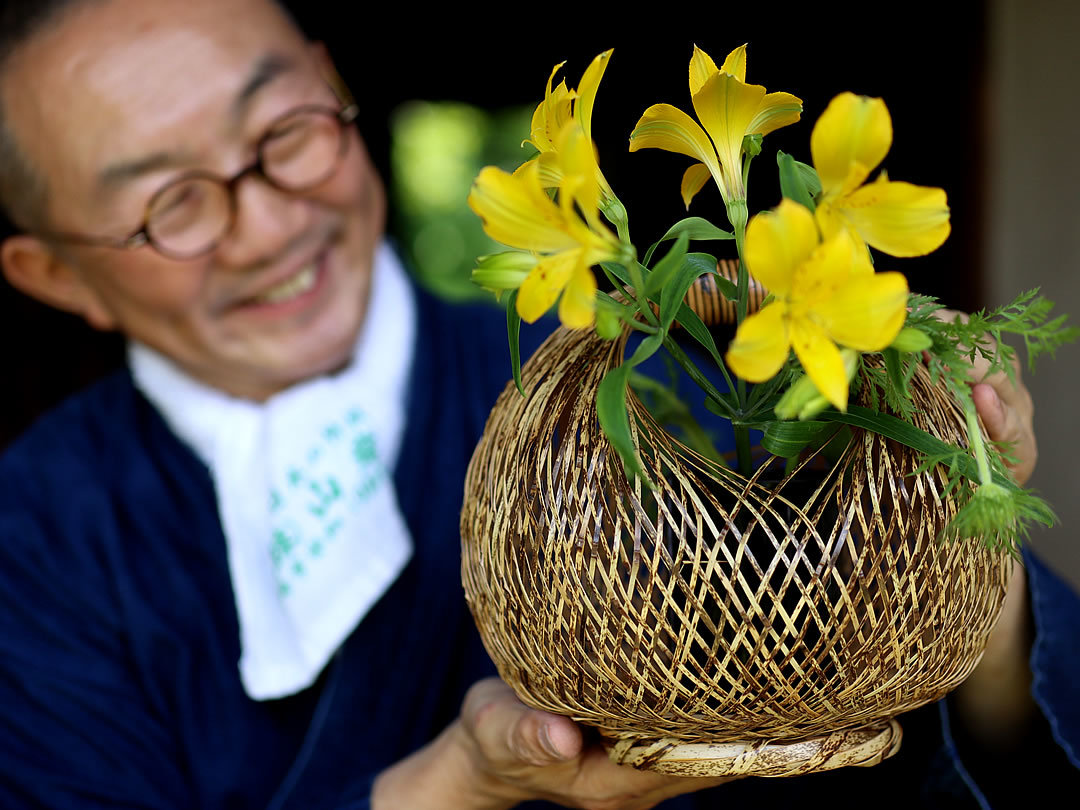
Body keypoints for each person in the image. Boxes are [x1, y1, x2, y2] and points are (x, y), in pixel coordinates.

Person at [0, 0, 1074, 808]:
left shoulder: (679, 377)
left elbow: (985, 744)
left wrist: (961, 555)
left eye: (284, 134)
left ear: (331, 85)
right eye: (171, 204)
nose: (269, 224)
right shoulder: (34, 530)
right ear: (56, 276)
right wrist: (465, 780)